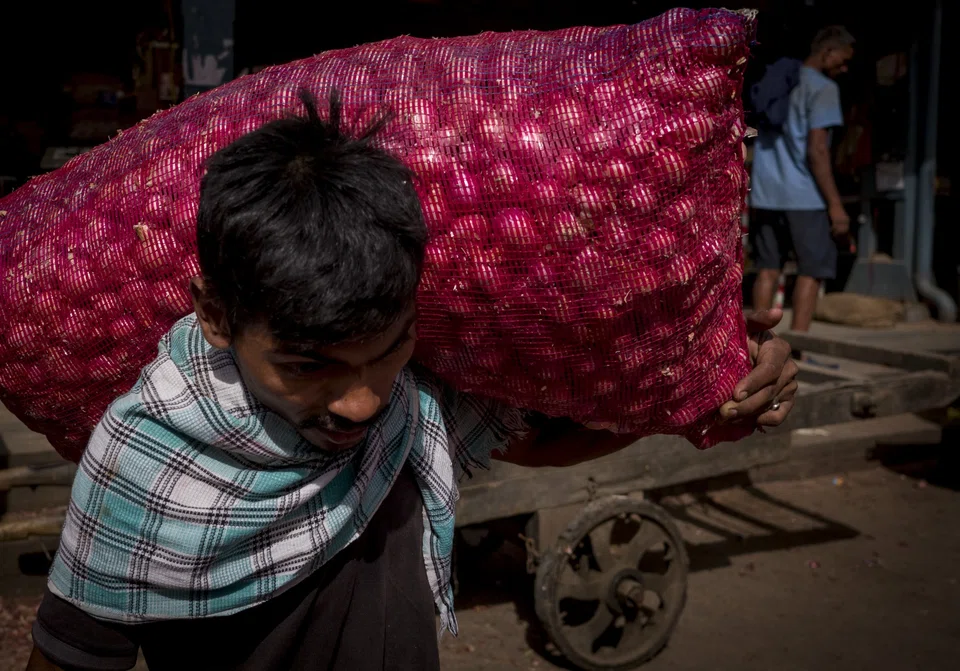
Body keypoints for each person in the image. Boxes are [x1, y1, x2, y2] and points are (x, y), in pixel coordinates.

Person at [26, 91, 799, 671]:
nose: (362, 400)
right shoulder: (139, 465)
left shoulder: (409, 403)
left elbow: (544, 441)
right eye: (307, 364)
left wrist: (712, 380)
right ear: (217, 317)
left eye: (389, 349)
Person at [749, 25, 855, 333]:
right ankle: (798, 350)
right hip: (804, 196)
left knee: (768, 270)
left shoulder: (780, 81)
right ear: (827, 52)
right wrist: (835, 205)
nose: (845, 68)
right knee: (811, 271)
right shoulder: (822, 89)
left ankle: (756, 346)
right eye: (843, 60)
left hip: (766, 194)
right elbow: (818, 150)